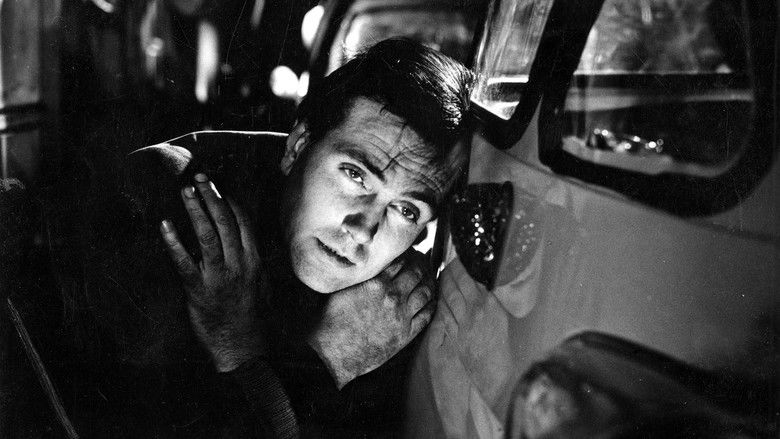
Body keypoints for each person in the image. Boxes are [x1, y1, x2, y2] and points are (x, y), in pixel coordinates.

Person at [36, 37, 471, 437]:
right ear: (298, 146)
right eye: (355, 175)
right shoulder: (169, 201)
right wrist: (329, 358)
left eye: (406, 210)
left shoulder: (388, 304)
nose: (362, 229)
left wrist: (241, 353)